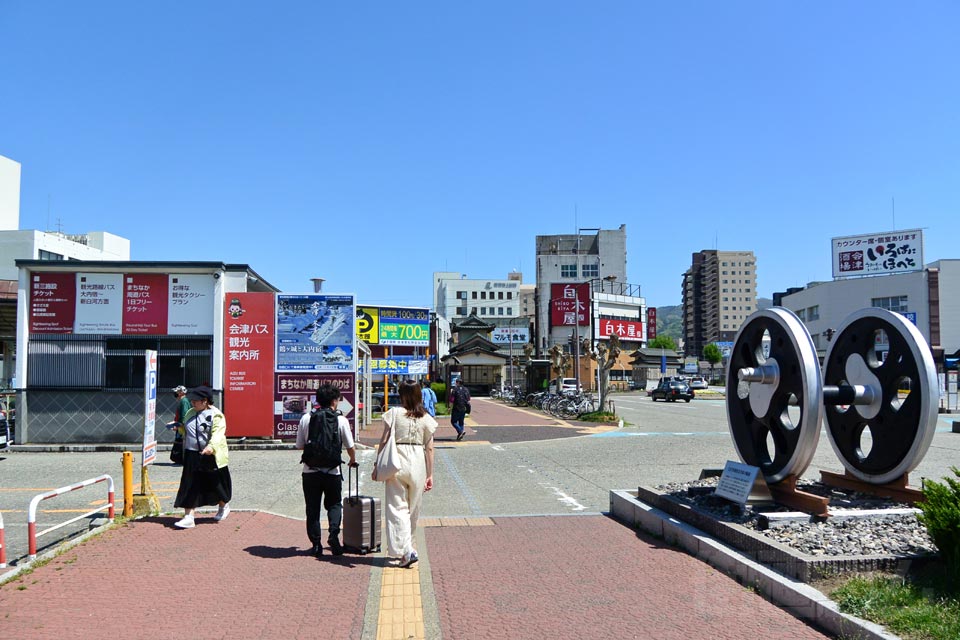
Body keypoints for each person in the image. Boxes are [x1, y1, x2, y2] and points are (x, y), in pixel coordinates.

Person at [377, 380, 437, 568]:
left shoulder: (394, 413)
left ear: (401, 395)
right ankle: (409, 547)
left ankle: (406, 550)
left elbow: (384, 440)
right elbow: (430, 449)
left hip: (397, 461)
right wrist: (430, 474)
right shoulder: (426, 418)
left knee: (397, 508)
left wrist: (377, 465)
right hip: (418, 461)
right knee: (413, 509)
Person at [296, 383, 358, 557]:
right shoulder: (341, 420)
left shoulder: (306, 418)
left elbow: (300, 445)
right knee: (334, 504)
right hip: (333, 471)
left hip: (310, 471)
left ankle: (316, 545)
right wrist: (352, 460)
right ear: (334, 401)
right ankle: (333, 537)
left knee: (312, 508)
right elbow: (350, 446)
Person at [172, 385, 232, 529]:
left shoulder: (216, 415)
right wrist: (178, 426)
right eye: (192, 400)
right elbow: (186, 428)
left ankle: (223, 506)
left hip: (211, 455)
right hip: (192, 454)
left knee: (216, 484)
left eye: (196, 401)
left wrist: (211, 447)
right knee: (189, 484)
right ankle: (189, 516)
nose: (193, 403)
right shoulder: (191, 413)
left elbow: (218, 434)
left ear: (205, 401)